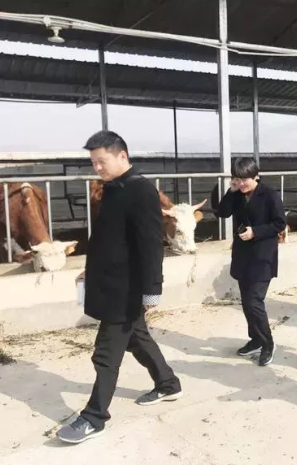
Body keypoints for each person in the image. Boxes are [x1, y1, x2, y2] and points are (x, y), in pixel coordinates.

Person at [57, 131, 181, 444]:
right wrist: (90, 270)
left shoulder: (140, 190)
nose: (97, 167)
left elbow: (151, 244)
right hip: (111, 283)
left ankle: (94, 417)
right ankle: (168, 383)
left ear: (122, 156)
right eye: (93, 162)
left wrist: (152, 289)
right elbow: (108, 239)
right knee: (137, 338)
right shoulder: (114, 188)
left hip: (126, 289)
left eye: (102, 161)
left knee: (106, 354)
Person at [216, 158, 287, 366]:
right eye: (237, 179)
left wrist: (255, 231)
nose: (242, 183)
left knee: (254, 301)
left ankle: (267, 343)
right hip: (243, 255)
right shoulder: (236, 194)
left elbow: (279, 223)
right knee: (247, 302)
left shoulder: (270, 195)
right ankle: (255, 339)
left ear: (256, 176)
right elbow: (222, 213)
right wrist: (231, 191)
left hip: (263, 255)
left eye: (245, 179)